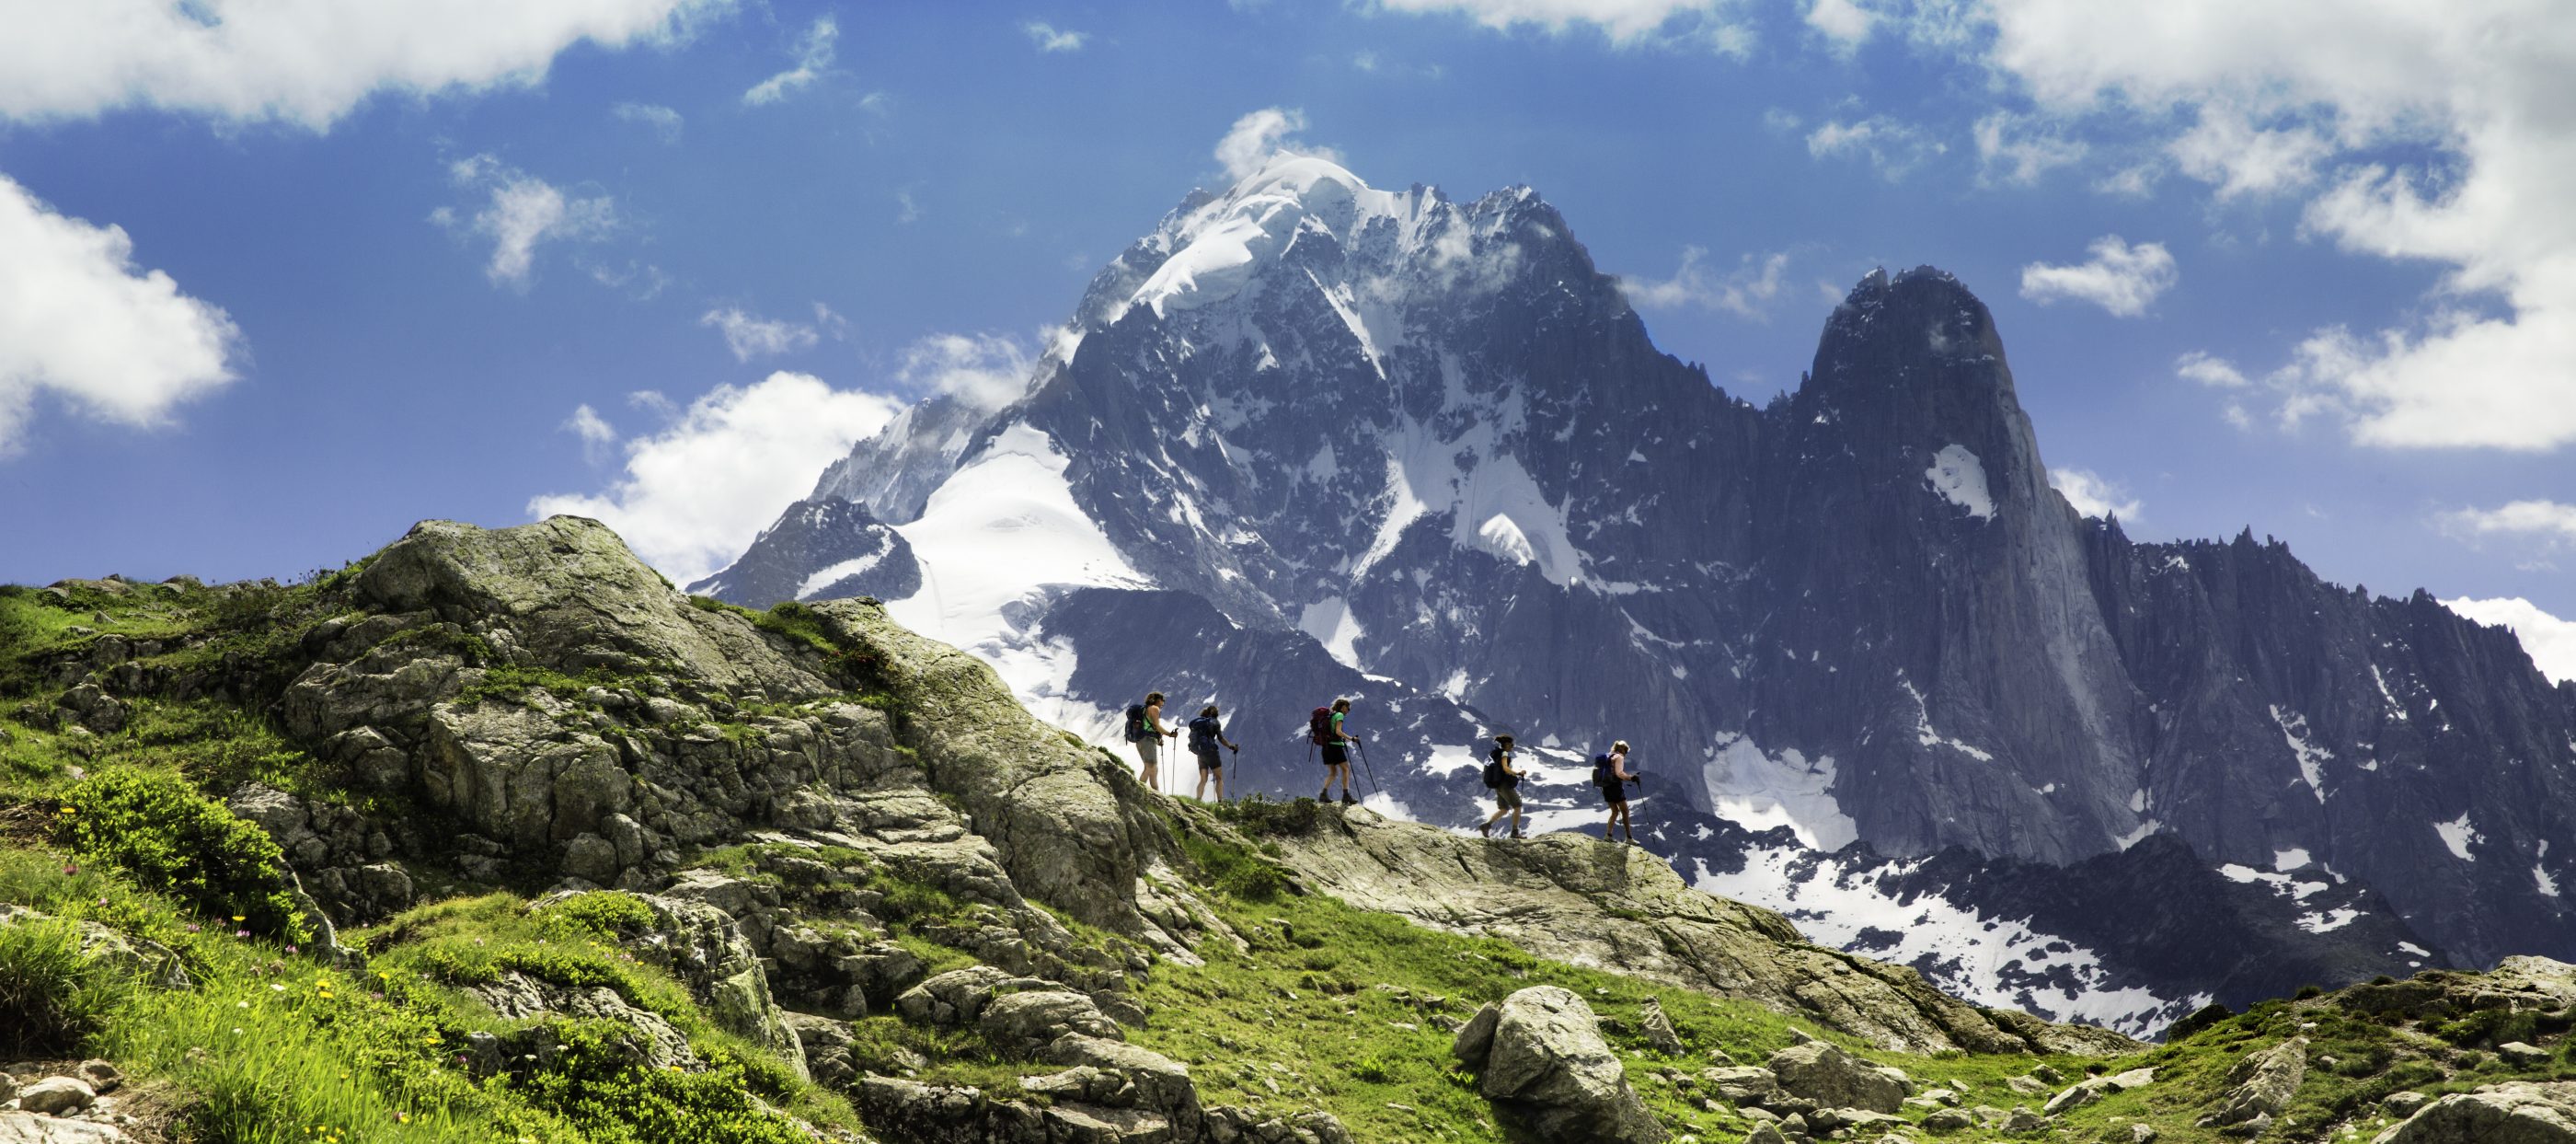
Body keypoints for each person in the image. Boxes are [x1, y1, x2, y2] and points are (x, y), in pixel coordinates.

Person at [1189, 703, 1240, 802]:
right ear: (1216, 714)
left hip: (1200, 754)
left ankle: (1198, 800)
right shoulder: (1215, 722)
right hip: (1211, 752)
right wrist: (1231, 746)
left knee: (1203, 779)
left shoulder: (1200, 723)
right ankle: (1220, 802)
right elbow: (1221, 739)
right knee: (1219, 778)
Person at [1478, 734, 1524, 838]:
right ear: (1507, 744)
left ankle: (1486, 825)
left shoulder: (1494, 753)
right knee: (1517, 806)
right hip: (1504, 785)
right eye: (1511, 745)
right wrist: (1518, 773)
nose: (1512, 747)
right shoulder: (1504, 753)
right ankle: (1515, 832)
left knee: (1504, 809)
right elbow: (1505, 768)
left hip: (1498, 785)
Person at [1129, 691, 1178, 792]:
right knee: (1150, 768)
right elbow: (1157, 726)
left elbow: (1150, 726)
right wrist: (1170, 734)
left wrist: (1158, 738)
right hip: (1148, 740)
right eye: (1162, 700)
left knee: (1153, 769)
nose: (1163, 703)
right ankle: (1137, 791)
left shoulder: (1144, 709)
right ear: (1158, 700)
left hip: (1140, 740)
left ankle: (1156, 792)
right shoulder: (1155, 709)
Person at [1317, 697, 1361, 805]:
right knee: (1346, 770)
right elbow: (1338, 731)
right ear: (1343, 707)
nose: (1348, 710)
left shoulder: (1331, 715)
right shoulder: (1340, 715)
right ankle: (1346, 796)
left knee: (1333, 772)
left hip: (1326, 748)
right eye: (1348, 708)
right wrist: (1351, 739)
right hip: (1335, 747)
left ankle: (1323, 794)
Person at [1595, 739, 1639, 843]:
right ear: (1623, 750)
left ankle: (1608, 835)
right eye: (1626, 751)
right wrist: (1631, 778)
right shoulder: (1619, 757)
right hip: (1615, 787)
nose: (1626, 754)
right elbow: (1619, 773)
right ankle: (1629, 838)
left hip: (1605, 787)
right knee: (1625, 811)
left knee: (1614, 811)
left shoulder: (1608, 756)